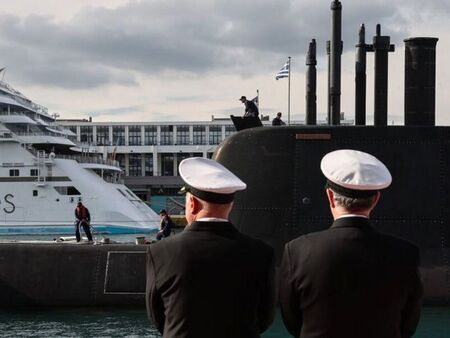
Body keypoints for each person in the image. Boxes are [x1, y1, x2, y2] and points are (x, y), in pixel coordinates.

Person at [279, 149, 423, 338]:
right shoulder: (406, 254)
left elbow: (292, 320)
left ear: (330, 196)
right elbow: (408, 324)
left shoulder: (297, 250)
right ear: (376, 199)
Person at [146, 157, 275, 338]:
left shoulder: (160, 252)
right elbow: (265, 316)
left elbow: (157, 315)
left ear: (192, 203)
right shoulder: (262, 253)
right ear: (231, 205)